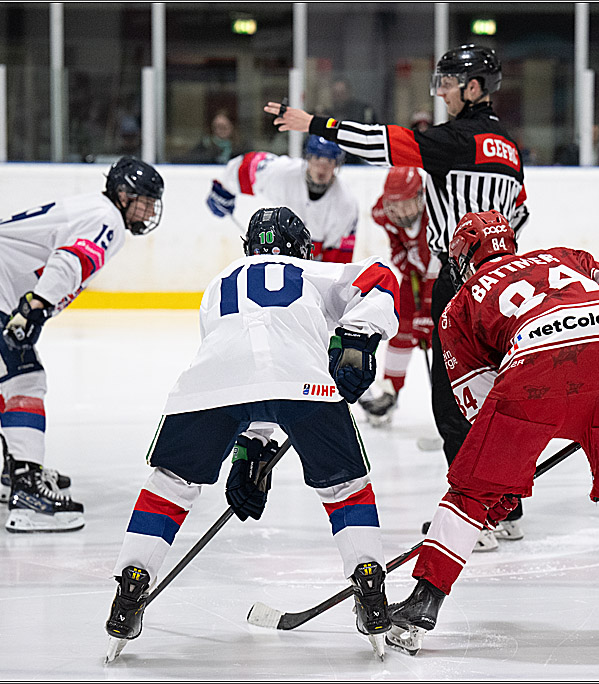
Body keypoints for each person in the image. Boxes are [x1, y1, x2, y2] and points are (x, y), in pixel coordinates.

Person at [384, 210, 599, 656]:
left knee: (469, 491)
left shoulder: (459, 305)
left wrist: (496, 485)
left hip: (538, 374)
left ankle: (422, 603)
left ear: (465, 258)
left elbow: (480, 405)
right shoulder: (569, 256)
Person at [264, 43, 531, 550]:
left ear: (474, 89)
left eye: (450, 83)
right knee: (494, 397)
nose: (443, 92)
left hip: (461, 284)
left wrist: (313, 124)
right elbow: (520, 213)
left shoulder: (455, 140)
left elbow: (381, 142)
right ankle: (507, 506)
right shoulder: (511, 148)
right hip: (507, 282)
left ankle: (478, 514)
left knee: (452, 401)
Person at [103, 207, 400, 660]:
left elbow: (246, 368)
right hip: (304, 382)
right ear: (300, 247)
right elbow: (384, 276)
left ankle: (131, 583)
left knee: (170, 484)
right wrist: (359, 336)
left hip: (208, 387)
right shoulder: (308, 269)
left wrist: (252, 447)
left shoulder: (217, 282)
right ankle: (369, 583)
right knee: (345, 488)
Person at [0, 157, 165, 533]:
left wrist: (32, 309)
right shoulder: (108, 220)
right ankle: (27, 491)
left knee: (17, 377)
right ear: (123, 195)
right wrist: (34, 308)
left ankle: (17, 469)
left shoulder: (98, 209)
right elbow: (69, 261)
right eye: (144, 200)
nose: (150, 210)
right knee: (25, 380)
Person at [357, 167, 436, 427]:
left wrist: (426, 313)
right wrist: (400, 254)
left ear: (421, 197)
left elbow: (438, 266)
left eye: (406, 205)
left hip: (445, 279)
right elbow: (397, 240)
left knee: (443, 337)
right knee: (400, 328)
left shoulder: (436, 213)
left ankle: (456, 397)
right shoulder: (383, 212)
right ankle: (391, 391)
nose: (401, 213)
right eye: (395, 206)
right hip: (416, 275)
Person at [206, 134, 358, 263]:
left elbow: (337, 264)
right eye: (317, 158)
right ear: (307, 158)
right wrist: (223, 191)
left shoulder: (346, 204)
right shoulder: (283, 173)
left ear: (337, 164)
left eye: (329, 161)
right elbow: (247, 165)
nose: (322, 168)